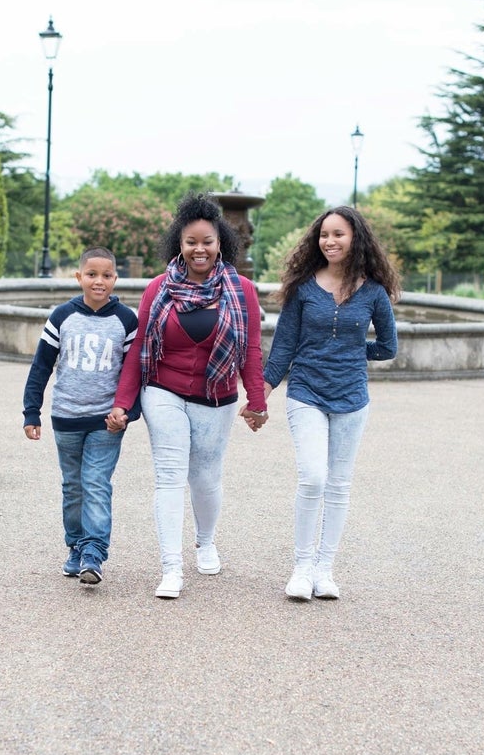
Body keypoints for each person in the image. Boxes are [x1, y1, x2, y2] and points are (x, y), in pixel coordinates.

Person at [108, 193, 267, 600]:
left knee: (206, 478)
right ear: (179, 243)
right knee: (169, 474)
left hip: (217, 396)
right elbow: (140, 348)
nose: (199, 249)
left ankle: (206, 541)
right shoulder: (159, 288)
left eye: (207, 241)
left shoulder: (242, 289)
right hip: (164, 390)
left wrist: (257, 400)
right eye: (191, 241)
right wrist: (123, 403)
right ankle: (171, 567)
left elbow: (250, 348)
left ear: (221, 244)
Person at [259, 205, 400, 602]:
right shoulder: (303, 288)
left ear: (355, 238)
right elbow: (283, 345)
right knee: (313, 478)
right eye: (324, 234)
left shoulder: (372, 291)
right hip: (305, 392)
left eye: (338, 234)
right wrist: (262, 393)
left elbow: (388, 346)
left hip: (352, 399)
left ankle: (324, 570)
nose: (329, 241)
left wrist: (353, 352)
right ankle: (302, 568)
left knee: (339, 485)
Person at [23, 246, 139, 585]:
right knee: (73, 487)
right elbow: (41, 367)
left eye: (106, 275)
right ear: (79, 277)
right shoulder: (62, 317)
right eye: (91, 274)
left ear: (116, 279)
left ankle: (94, 553)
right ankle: (75, 547)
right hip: (66, 419)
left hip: (107, 422)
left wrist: (128, 412)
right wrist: (32, 411)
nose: (98, 281)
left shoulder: (126, 321)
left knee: (96, 483)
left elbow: (135, 374)